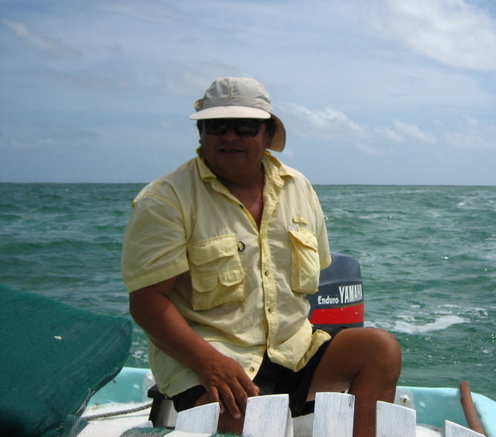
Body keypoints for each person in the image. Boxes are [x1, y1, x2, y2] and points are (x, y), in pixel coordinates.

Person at [121, 77, 401, 436]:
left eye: (246, 127)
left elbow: (315, 275)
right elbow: (147, 303)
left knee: (379, 348)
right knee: (244, 419)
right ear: (201, 134)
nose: (230, 136)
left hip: (293, 350)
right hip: (212, 360)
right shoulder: (164, 201)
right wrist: (209, 362)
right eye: (216, 126)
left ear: (267, 134)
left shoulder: (298, 187)